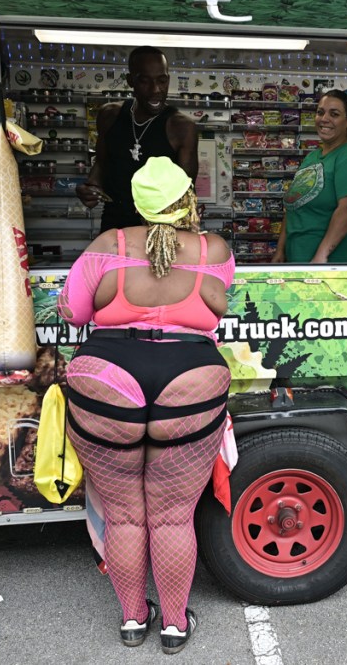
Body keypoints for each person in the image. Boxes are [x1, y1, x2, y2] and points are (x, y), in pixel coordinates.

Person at [58, 157, 234, 655]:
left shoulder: (107, 245)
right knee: (173, 516)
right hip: (190, 377)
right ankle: (175, 625)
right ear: (187, 199)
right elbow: (218, 301)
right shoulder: (214, 249)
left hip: (108, 378)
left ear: (137, 203)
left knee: (124, 516)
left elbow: (72, 312)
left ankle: (134, 620)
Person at [76, 46, 198, 233]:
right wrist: (89, 188)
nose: (156, 90)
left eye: (162, 80)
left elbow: (186, 193)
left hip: (159, 232)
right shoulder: (109, 115)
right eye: (144, 81)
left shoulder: (182, 127)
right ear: (130, 81)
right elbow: (102, 163)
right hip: (114, 226)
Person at [272, 89, 347, 263]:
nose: (324, 119)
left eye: (334, 114)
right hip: (300, 261)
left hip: (335, 266)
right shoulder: (312, 158)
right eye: (320, 112)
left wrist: (321, 256)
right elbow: (294, 205)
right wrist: (280, 250)